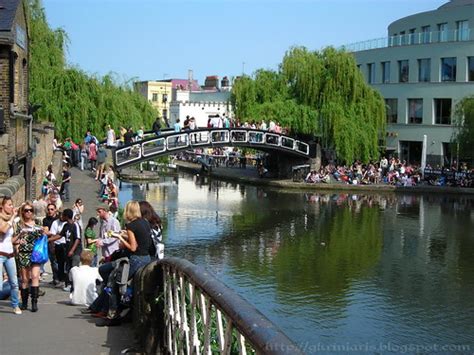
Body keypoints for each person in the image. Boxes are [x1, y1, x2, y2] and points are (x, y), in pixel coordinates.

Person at [15, 202, 43, 312]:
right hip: (23, 252)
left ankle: (34, 302)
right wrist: (19, 240)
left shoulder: (37, 223)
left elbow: (44, 235)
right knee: (25, 279)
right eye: (26, 210)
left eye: (31, 210)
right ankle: (25, 302)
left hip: (35, 252)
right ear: (22, 212)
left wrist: (43, 232)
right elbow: (14, 240)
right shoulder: (19, 224)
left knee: (35, 276)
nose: (29, 212)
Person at [0, 196, 22, 314]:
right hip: (0, 254)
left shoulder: (10, 220)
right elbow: (3, 230)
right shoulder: (2, 219)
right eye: (9, 204)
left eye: (12, 204)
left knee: (14, 282)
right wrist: (12, 217)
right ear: (2, 206)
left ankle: (15, 305)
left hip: (10, 254)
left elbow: (9, 239)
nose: (12, 207)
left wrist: (18, 239)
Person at [42, 203, 61, 286]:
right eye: (49, 209)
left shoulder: (58, 219)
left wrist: (51, 232)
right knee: (53, 261)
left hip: (59, 242)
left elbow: (59, 232)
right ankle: (55, 278)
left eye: (52, 209)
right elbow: (46, 232)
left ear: (55, 210)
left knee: (58, 261)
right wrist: (53, 233)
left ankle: (60, 278)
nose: (50, 211)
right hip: (50, 243)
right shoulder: (45, 220)